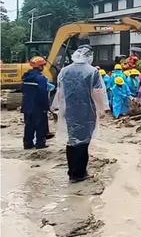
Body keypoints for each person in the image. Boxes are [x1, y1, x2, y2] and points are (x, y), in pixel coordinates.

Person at [52, 45, 109, 183]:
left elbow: (60, 92)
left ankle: (72, 172)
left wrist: (59, 108)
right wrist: (102, 109)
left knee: (72, 140)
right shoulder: (92, 71)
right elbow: (97, 92)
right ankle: (79, 174)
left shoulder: (64, 71)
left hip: (70, 111)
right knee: (83, 142)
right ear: (89, 56)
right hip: (86, 111)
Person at [21, 56, 50, 149]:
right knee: (40, 125)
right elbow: (43, 93)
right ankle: (40, 143)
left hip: (27, 106)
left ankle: (27, 144)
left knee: (29, 125)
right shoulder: (41, 78)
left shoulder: (26, 77)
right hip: (38, 106)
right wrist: (46, 107)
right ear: (41, 66)